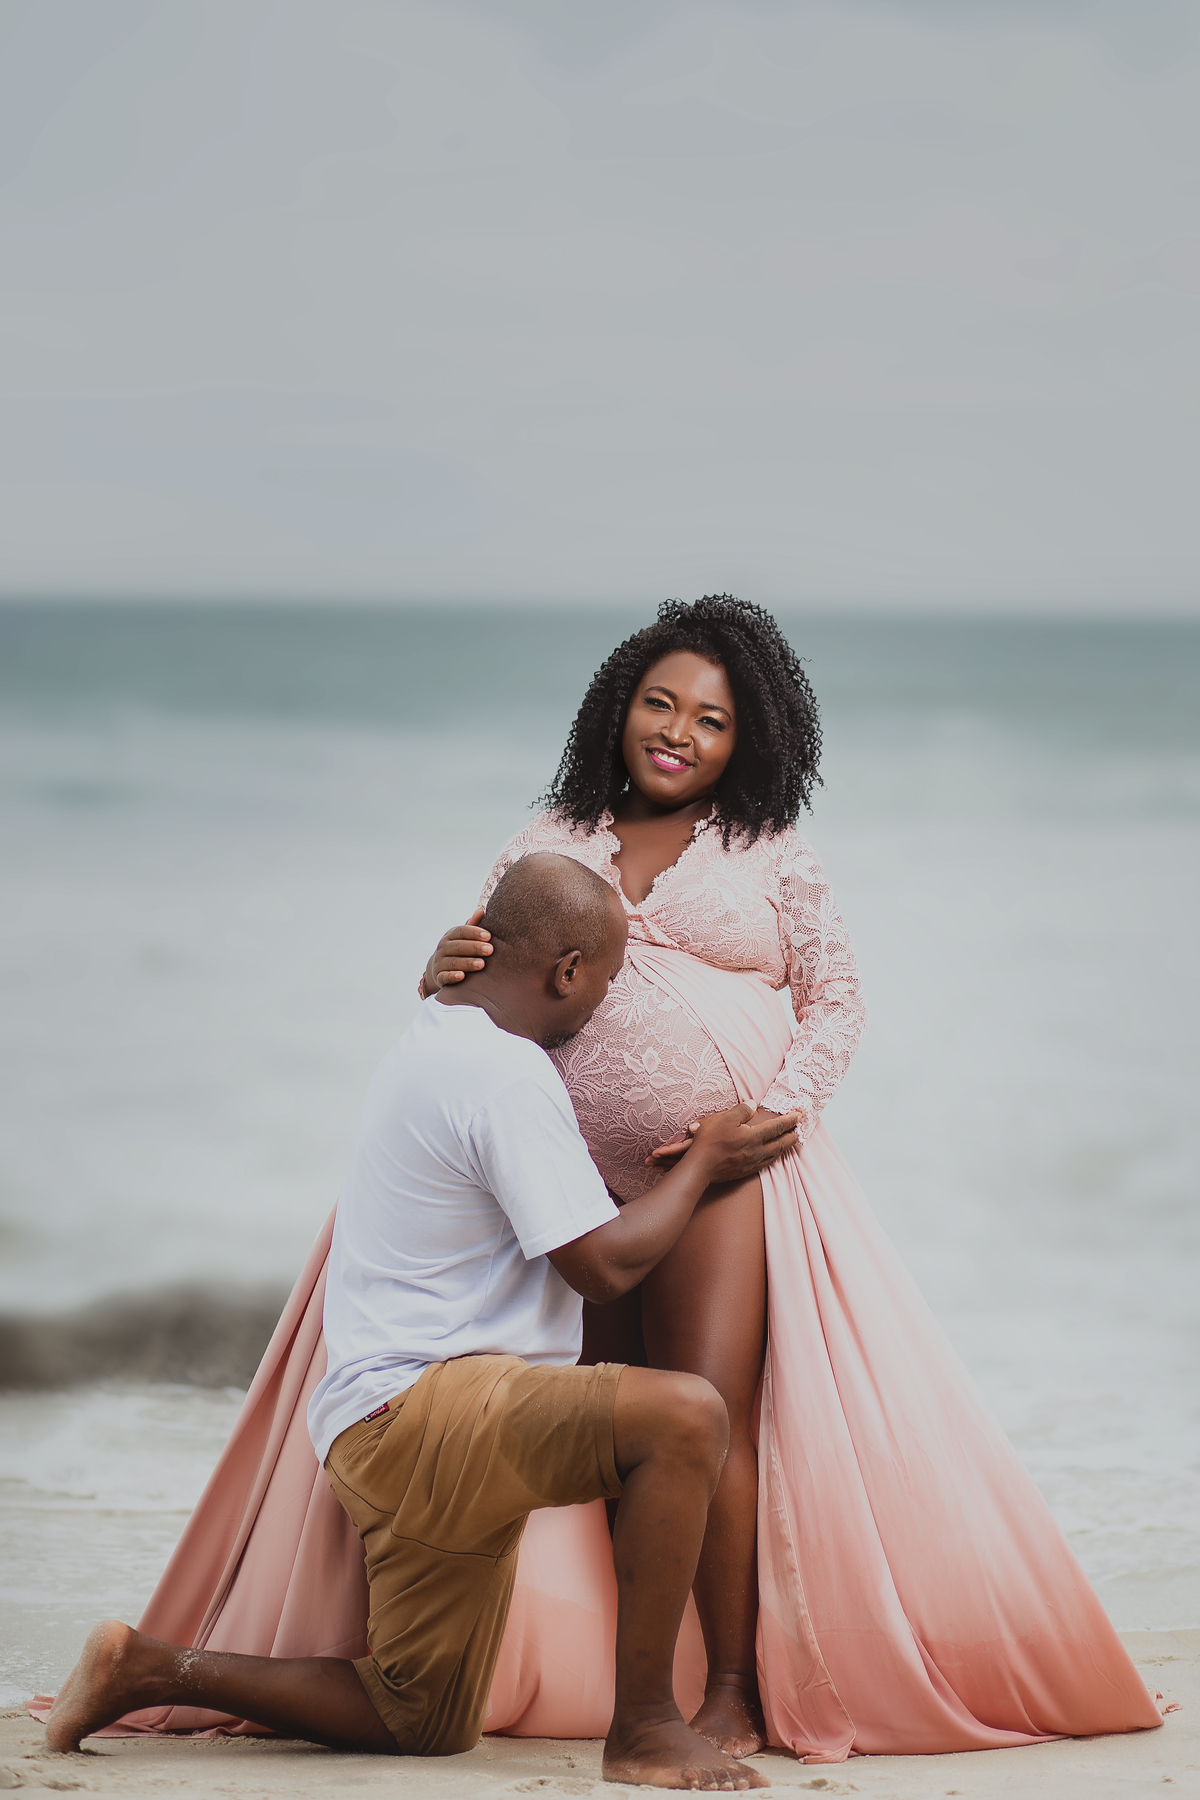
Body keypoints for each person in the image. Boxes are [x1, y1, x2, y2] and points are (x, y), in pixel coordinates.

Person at [38, 596, 1161, 1768]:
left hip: (712, 1178)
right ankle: (646, 1687)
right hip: (566, 1187)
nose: (679, 732)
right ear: (618, 707)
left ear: (750, 737)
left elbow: (838, 1002)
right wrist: (434, 961)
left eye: (711, 719)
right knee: (620, 1434)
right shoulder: (550, 837)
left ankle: (728, 1687)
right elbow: (486, 982)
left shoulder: (770, 851)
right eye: (660, 704)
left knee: (710, 1416)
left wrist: (768, 1119)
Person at [43, 852, 799, 1789]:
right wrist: (706, 1163)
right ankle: (645, 1726)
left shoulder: (436, 1033)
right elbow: (602, 1269)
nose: (603, 1004)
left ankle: (145, 1668)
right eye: (605, 983)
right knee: (686, 1416)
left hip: (381, 1431)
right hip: (426, 1412)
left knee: (419, 1715)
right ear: (566, 970)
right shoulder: (503, 1074)